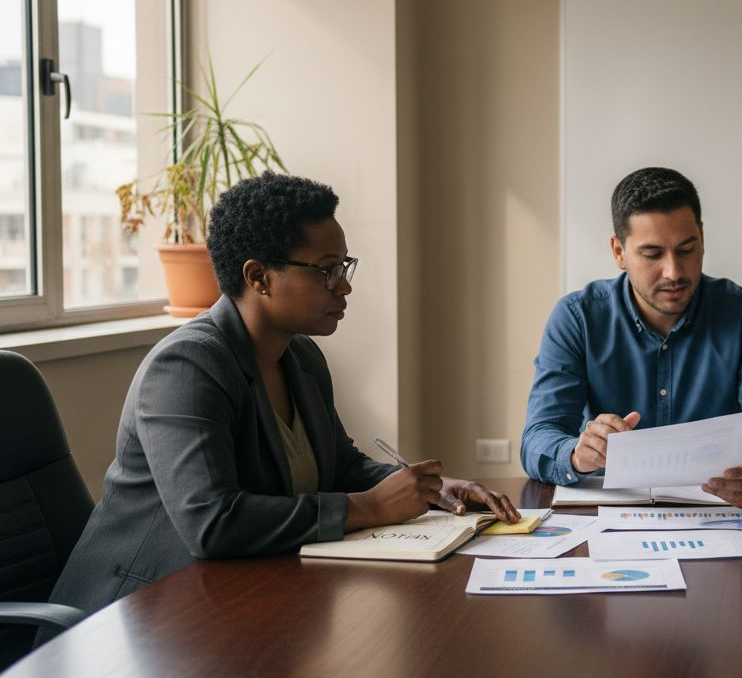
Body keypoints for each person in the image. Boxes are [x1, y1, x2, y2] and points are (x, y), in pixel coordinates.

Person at [47, 172, 518, 620]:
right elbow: (211, 521)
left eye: (344, 266)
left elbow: (340, 468)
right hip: (135, 615)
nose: (345, 285)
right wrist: (372, 507)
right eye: (327, 270)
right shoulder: (187, 368)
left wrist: (431, 490)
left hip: (234, 598)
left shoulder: (301, 358)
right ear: (258, 277)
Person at [521, 166, 742, 507]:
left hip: (723, 518)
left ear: (702, 238)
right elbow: (538, 436)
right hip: (611, 516)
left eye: (686, 250)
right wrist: (577, 455)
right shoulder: (577, 318)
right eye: (652, 254)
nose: (674, 272)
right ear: (619, 252)